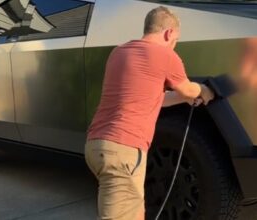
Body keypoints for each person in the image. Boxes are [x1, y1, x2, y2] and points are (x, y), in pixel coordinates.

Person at [84, 6, 215, 220]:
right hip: (123, 150)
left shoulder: (119, 52)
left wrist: (184, 97)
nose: (175, 45)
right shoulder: (164, 54)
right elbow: (189, 89)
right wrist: (206, 91)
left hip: (97, 144)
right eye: (176, 40)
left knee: (136, 211)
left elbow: (155, 99)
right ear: (169, 33)